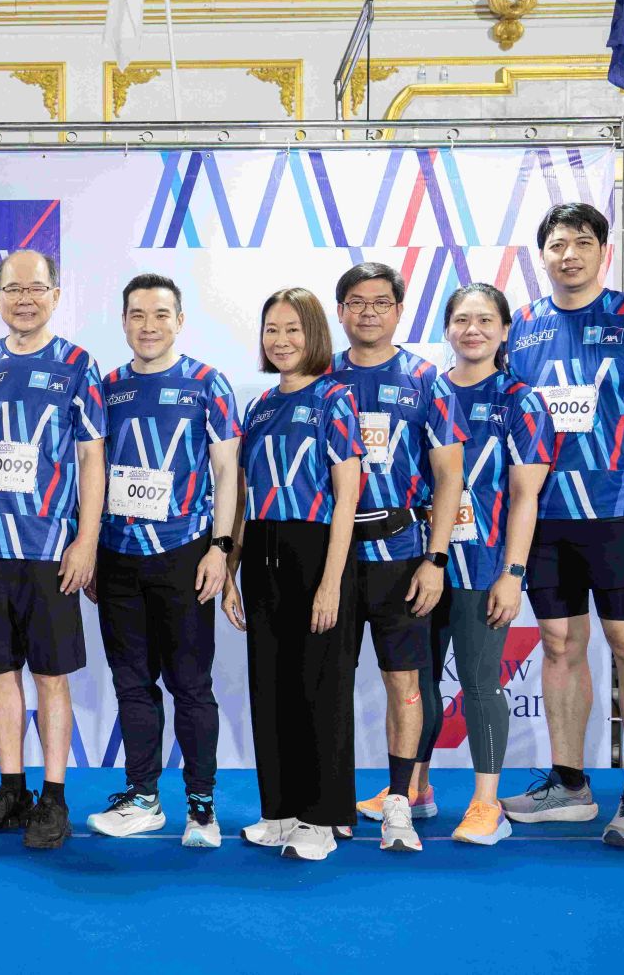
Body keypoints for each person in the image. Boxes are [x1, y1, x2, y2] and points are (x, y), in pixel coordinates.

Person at [501, 202, 624, 849]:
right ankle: (571, 784)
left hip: (619, 511)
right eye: (557, 243)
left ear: (603, 250)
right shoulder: (523, 326)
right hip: (544, 515)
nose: (569, 253)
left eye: (582, 241)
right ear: (542, 255)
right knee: (558, 643)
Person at [0, 249, 105, 851]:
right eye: (12, 289)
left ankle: (54, 797)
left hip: (50, 550)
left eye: (36, 288)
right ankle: (11, 791)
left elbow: (91, 458)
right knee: (0, 676)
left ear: (55, 295)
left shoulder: (77, 365)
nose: (24, 299)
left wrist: (86, 539)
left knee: (51, 678)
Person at [393, 283, 554, 845]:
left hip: (485, 565)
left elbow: (526, 496)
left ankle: (487, 805)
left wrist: (513, 573)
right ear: (447, 328)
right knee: (420, 680)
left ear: (505, 330)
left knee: (481, 684)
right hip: (423, 561)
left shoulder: (522, 400)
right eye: (462, 319)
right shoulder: (428, 393)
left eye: (486, 320)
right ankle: (416, 789)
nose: (473, 330)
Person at [82, 274, 240, 848]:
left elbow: (227, 472)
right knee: (131, 682)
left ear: (179, 321)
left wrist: (221, 549)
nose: (149, 326)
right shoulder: (106, 387)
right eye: (138, 315)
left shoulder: (207, 383)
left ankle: (202, 808)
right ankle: (143, 798)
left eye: (161, 315)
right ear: (124, 321)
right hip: (118, 557)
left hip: (185, 555)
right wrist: (90, 547)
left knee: (191, 685)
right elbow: (90, 471)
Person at [329, 262, 467, 854]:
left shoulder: (426, 380)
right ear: (340, 311)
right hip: (331, 560)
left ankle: (400, 802)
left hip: (403, 555)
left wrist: (436, 558)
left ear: (399, 310)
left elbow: (450, 475)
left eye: (381, 302)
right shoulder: (321, 375)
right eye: (357, 302)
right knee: (328, 681)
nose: (368, 312)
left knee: (404, 680)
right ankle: (329, 804)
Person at [229, 288, 362, 862]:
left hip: (316, 550)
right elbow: (242, 494)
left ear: (314, 335)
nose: (281, 341)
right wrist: (231, 568)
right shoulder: (258, 406)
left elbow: (347, 495)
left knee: (319, 687)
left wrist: (331, 581)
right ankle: (279, 810)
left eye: (292, 329)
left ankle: (321, 817)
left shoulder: (335, 397)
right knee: (270, 685)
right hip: (261, 549)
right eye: (271, 330)